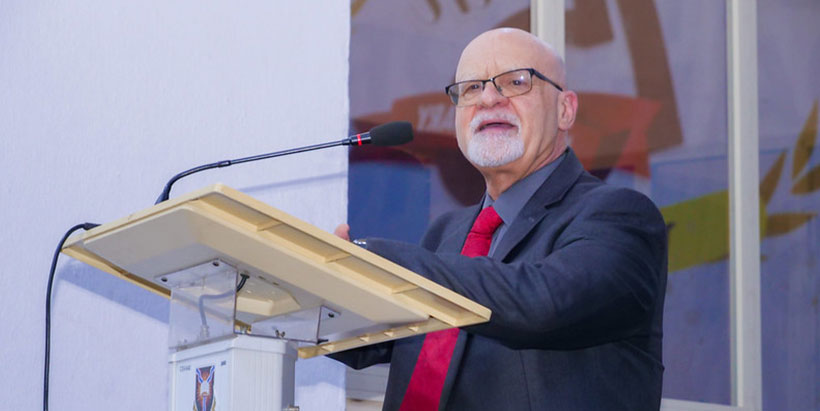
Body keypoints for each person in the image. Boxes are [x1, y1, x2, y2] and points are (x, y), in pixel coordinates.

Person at [332, 28, 667, 411]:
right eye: (471, 88)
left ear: (565, 110)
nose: (489, 99)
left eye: (515, 82)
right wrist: (310, 282)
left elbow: (542, 303)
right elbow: (370, 337)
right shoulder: (446, 234)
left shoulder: (620, 216)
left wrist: (377, 260)